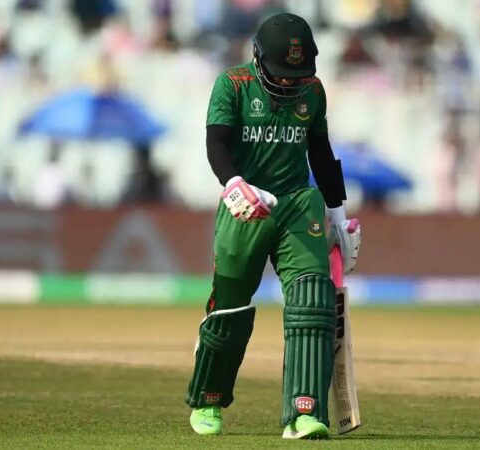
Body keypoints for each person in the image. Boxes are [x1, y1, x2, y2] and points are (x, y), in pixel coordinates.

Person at [185, 12, 361, 440]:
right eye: (280, 72)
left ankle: (304, 411)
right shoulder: (233, 84)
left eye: (294, 75)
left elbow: (320, 151)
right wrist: (233, 183)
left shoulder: (313, 91)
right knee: (229, 306)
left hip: (297, 203)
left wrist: (337, 214)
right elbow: (216, 142)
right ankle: (208, 399)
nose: (287, 82)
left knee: (312, 300)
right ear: (258, 57)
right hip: (247, 202)